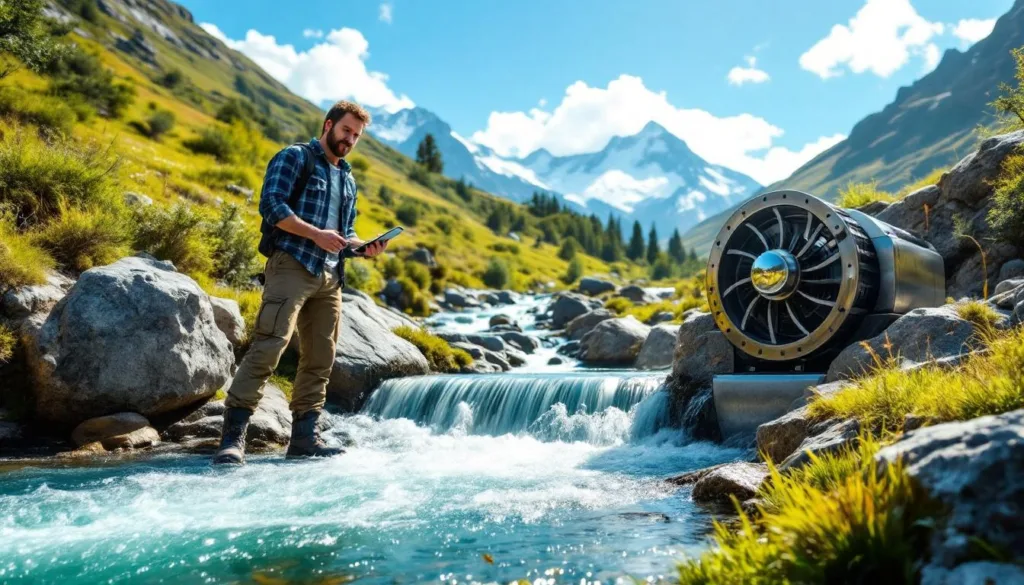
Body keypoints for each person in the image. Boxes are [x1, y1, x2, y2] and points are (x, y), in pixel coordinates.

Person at [214, 100, 387, 465]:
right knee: (269, 345)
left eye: (356, 135)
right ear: (328, 125)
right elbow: (273, 206)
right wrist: (315, 235)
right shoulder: (295, 157)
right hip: (292, 264)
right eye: (345, 131)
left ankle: (305, 439)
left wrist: (364, 247)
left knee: (321, 358)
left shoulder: (348, 178)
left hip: (331, 277)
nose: (350, 139)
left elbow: (344, 234)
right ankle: (232, 439)